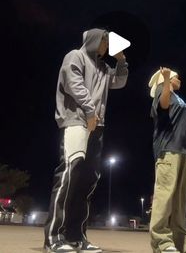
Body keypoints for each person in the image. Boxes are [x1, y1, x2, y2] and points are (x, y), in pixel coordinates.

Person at [44, 28, 128, 253]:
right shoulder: (75, 56)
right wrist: (90, 112)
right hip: (76, 121)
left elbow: (119, 81)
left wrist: (121, 60)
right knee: (68, 177)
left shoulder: (103, 67)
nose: (107, 45)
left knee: (87, 182)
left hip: (96, 127)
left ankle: (76, 235)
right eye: (105, 40)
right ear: (95, 39)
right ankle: (54, 237)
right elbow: (74, 85)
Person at [148, 67, 186, 253]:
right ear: (169, 79)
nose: (179, 78)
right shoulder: (162, 91)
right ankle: (161, 241)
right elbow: (164, 105)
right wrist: (164, 81)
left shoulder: (179, 98)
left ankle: (182, 242)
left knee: (180, 201)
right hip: (168, 150)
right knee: (164, 197)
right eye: (176, 76)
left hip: (183, 152)